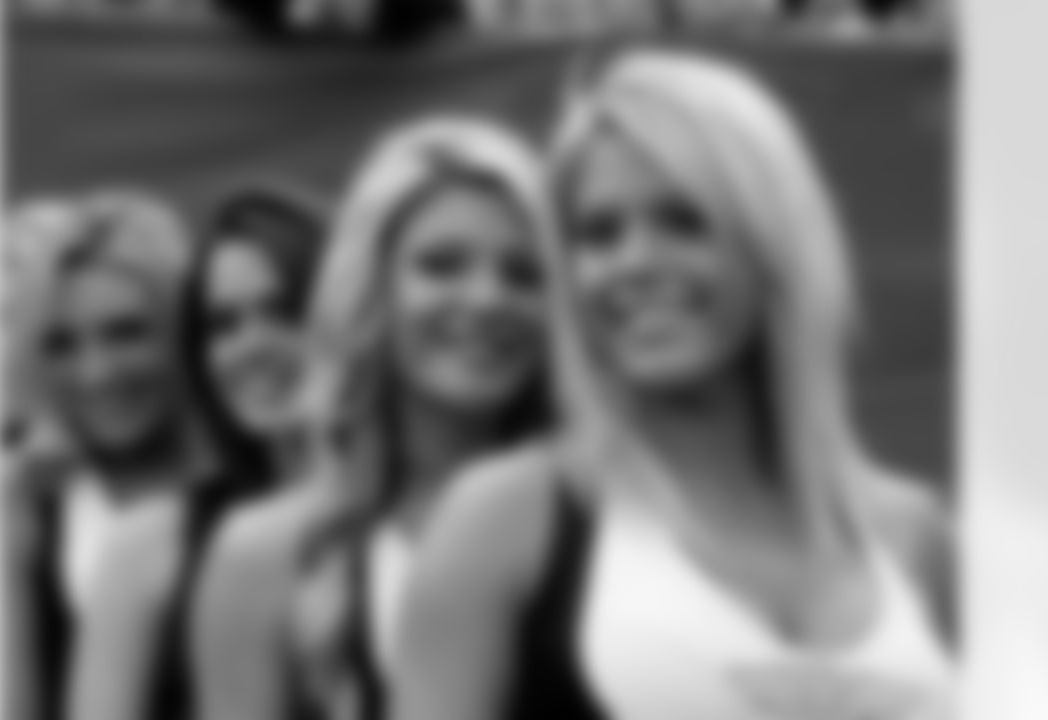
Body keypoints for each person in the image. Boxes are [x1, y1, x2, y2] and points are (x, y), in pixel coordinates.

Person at [392, 50, 955, 720]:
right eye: (599, 235)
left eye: (684, 221)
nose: (635, 262)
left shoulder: (914, 535)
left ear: (772, 242)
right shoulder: (507, 521)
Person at [192, 117, 556, 720]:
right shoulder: (267, 553)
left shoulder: (607, 516)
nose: (487, 299)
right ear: (371, 288)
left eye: (524, 274)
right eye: (441, 265)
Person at [66, 182, 327, 720]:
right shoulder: (147, 547)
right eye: (224, 325)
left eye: (284, 311)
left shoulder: (420, 513)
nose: (252, 346)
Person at [3, 188, 212, 720]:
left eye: (127, 333)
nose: (97, 373)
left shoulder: (258, 476)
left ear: (185, 328)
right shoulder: (26, 511)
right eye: (61, 345)